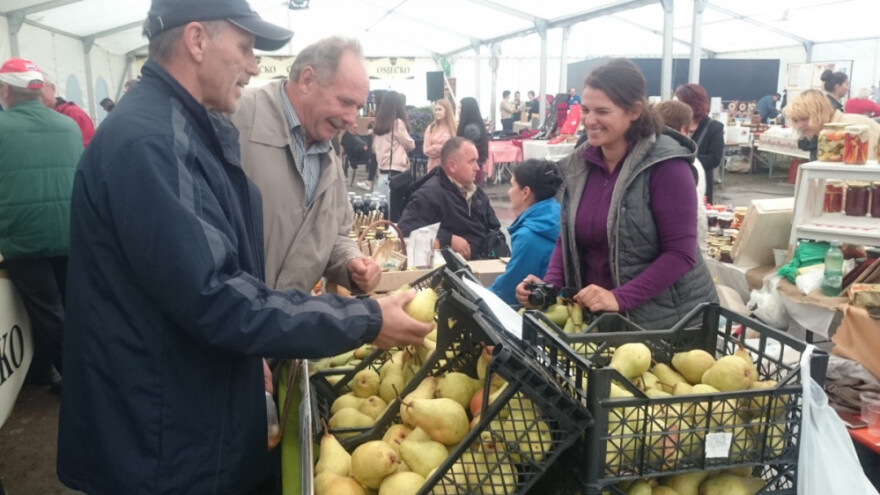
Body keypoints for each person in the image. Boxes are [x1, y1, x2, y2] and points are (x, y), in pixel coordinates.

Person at [56, 1, 433, 493]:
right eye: (246, 48)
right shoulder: (154, 142)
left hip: (186, 405)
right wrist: (364, 319)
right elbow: (215, 295)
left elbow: (210, 281)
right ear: (196, 40)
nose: (255, 66)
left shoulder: (187, 128)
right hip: (158, 438)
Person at [515, 58, 716, 330]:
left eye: (602, 111)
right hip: (603, 320)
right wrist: (548, 286)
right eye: (586, 110)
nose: (590, 120)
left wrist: (619, 298)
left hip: (667, 325)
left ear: (634, 111)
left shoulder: (667, 166)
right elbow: (568, 239)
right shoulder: (581, 166)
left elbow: (680, 254)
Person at [0, 58, 82, 393]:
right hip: (69, 232)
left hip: (23, 237)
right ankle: (42, 369)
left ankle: (77, 381)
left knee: (48, 312)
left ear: (5, 90)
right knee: (68, 307)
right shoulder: (69, 126)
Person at [398, 137, 504, 261]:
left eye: (477, 161)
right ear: (452, 166)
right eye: (471, 161)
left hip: (487, 261)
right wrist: (447, 239)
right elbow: (406, 230)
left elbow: (495, 227)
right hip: (456, 267)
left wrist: (497, 244)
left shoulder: (475, 191)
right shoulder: (429, 195)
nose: (477, 167)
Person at [487, 159, 562, 304]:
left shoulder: (528, 236)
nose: (508, 191)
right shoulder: (560, 217)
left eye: (512, 185)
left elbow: (506, 292)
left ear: (525, 192)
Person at [655, 100, 708, 256]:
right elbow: (697, 212)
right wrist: (702, 252)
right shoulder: (688, 162)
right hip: (676, 248)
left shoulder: (640, 154)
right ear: (684, 130)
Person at [786, 89, 880, 162]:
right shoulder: (824, 133)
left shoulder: (853, 127)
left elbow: (862, 172)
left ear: (820, 113)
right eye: (795, 120)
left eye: (804, 118)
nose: (799, 125)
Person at [675, 83, 724, 204]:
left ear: (693, 103)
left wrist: (684, 160)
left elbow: (714, 158)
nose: (677, 106)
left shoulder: (714, 127)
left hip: (700, 186)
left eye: (681, 102)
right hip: (676, 183)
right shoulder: (674, 124)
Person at [372, 90, 414, 222]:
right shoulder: (397, 123)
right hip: (397, 171)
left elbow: (375, 148)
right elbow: (410, 144)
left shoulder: (379, 124)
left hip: (383, 171)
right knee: (397, 210)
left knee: (384, 209)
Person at [41, 77, 95, 147]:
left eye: (40, 92)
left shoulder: (74, 114)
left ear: (53, 88)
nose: (37, 98)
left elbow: (87, 146)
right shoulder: (34, 117)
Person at [457, 96, 488, 185]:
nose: (458, 110)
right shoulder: (474, 126)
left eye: (460, 107)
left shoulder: (471, 129)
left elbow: (466, 151)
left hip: (470, 168)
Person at [422, 98, 457, 172]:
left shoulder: (454, 128)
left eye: (439, 109)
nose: (437, 112)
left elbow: (454, 149)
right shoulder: (431, 128)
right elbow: (426, 150)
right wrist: (443, 148)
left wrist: (434, 147)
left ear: (447, 111)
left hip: (448, 168)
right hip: (433, 168)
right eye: (436, 110)